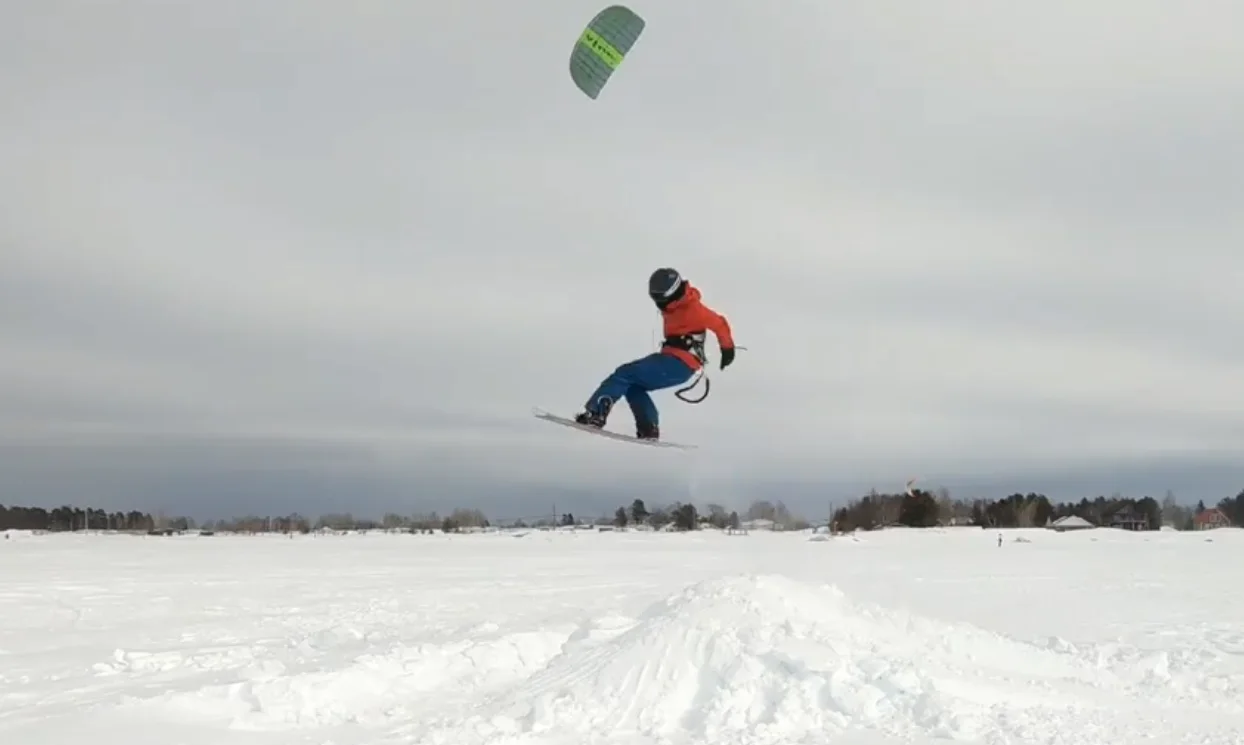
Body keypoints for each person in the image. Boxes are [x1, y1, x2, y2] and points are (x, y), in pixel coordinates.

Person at [574, 267, 735, 441]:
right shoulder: (674, 306)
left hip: (679, 363)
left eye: (660, 298)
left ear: (671, 293)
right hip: (676, 363)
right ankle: (648, 429)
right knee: (633, 386)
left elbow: (719, 323)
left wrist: (727, 349)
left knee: (624, 374)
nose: (658, 303)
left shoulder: (692, 308)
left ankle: (595, 415)